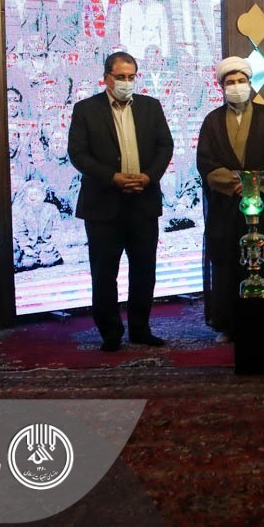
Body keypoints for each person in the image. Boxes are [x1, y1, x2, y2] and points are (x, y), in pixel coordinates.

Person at [67, 51, 174, 351]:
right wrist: (111, 177)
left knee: (144, 271)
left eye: (131, 76)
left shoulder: (151, 107)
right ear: (106, 78)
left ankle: (140, 328)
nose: (127, 82)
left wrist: (149, 176)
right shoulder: (86, 109)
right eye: (121, 77)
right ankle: (110, 333)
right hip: (103, 205)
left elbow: (165, 146)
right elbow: (78, 154)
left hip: (143, 202)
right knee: (104, 273)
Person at [196, 56, 264, 341]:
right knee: (228, 264)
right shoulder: (212, 121)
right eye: (230, 82)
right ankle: (229, 326)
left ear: (250, 84)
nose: (236, 87)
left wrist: (253, 186)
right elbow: (206, 163)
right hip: (227, 208)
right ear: (222, 87)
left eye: (241, 81)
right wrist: (237, 185)